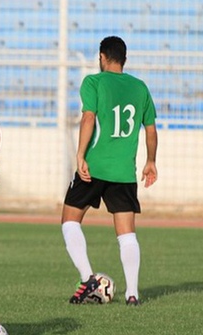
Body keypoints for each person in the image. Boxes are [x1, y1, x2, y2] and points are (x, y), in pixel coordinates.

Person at [61, 36, 158, 306]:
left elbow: (89, 117)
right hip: (124, 171)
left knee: (70, 220)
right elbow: (150, 129)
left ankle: (87, 277)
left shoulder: (93, 82)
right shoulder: (140, 88)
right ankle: (132, 293)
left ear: (102, 57)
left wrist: (80, 155)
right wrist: (151, 161)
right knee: (127, 233)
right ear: (124, 58)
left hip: (94, 166)